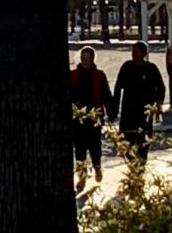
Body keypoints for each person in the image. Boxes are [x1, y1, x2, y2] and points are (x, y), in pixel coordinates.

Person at [110, 41, 166, 173]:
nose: (133, 54)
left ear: (144, 53)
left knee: (143, 145)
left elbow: (161, 88)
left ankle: (140, 170)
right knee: (125, 143)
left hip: (145, 114)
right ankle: (133, 165)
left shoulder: (151, 69)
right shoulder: (127, 67)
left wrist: (158, 105)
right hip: (128, 112)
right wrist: (113, 109)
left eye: (136, 51)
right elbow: (118, 88)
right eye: (132, 51)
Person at [69, 47, 113, 191]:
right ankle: (81, 177)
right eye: (83, 58)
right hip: (78, 118)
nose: (85, 61)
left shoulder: (99, 76)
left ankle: (97, 167)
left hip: (95, 117)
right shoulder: (73, 75)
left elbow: (106, 95)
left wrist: (111, 114)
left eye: (88, 58)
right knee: (79, 148)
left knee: (95, 146)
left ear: (93, 59)